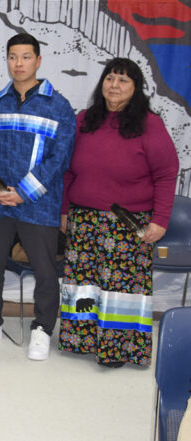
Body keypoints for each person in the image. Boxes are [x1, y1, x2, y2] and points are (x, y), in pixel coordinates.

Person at [59, 58, 179, 368]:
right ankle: (81, 340)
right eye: (110, 78)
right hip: (83, 219)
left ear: (136, 88)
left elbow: (166, 174)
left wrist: (160, 220)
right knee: (83, 285)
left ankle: (116, 351)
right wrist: (64, 211)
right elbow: (68, 172)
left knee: (121, 289)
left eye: (123, 80)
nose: (114, 85)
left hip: (127, 223)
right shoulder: (84, 120)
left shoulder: (150, 124)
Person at [0, 33, 75, 361]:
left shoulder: (58, 106)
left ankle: (43, 329)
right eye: (13, 57)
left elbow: (60, 158)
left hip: (38, 205)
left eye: (26, 57)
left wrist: (23, 193)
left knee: (45, 270)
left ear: (38, 61)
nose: (19, 63)